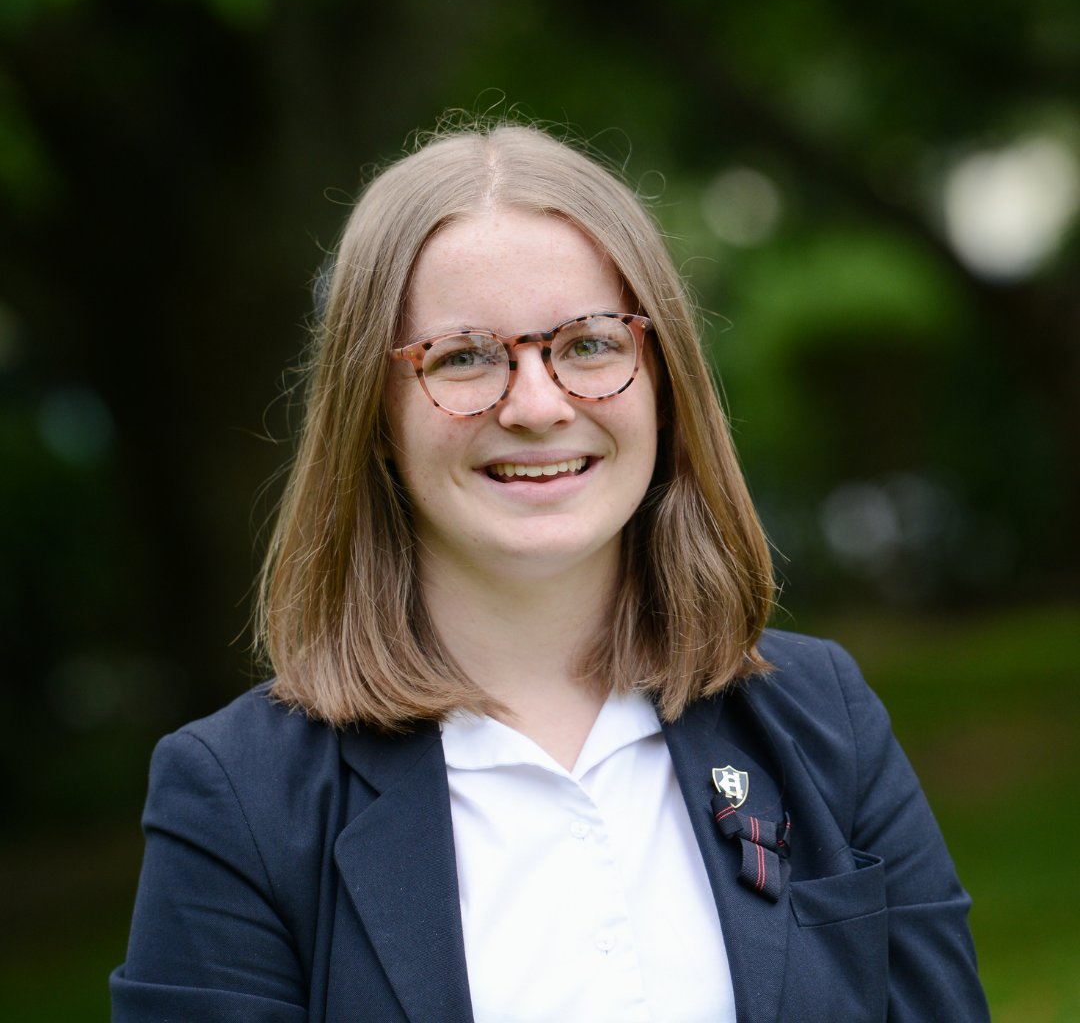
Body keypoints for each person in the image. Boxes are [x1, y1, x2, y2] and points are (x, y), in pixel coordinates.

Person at [111, 121, 989, 1022]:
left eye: (590, 344)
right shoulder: (237, 797)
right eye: (462, 357)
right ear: (371, 418)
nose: (536, 404)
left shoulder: (821, 718)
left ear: (664, 378)